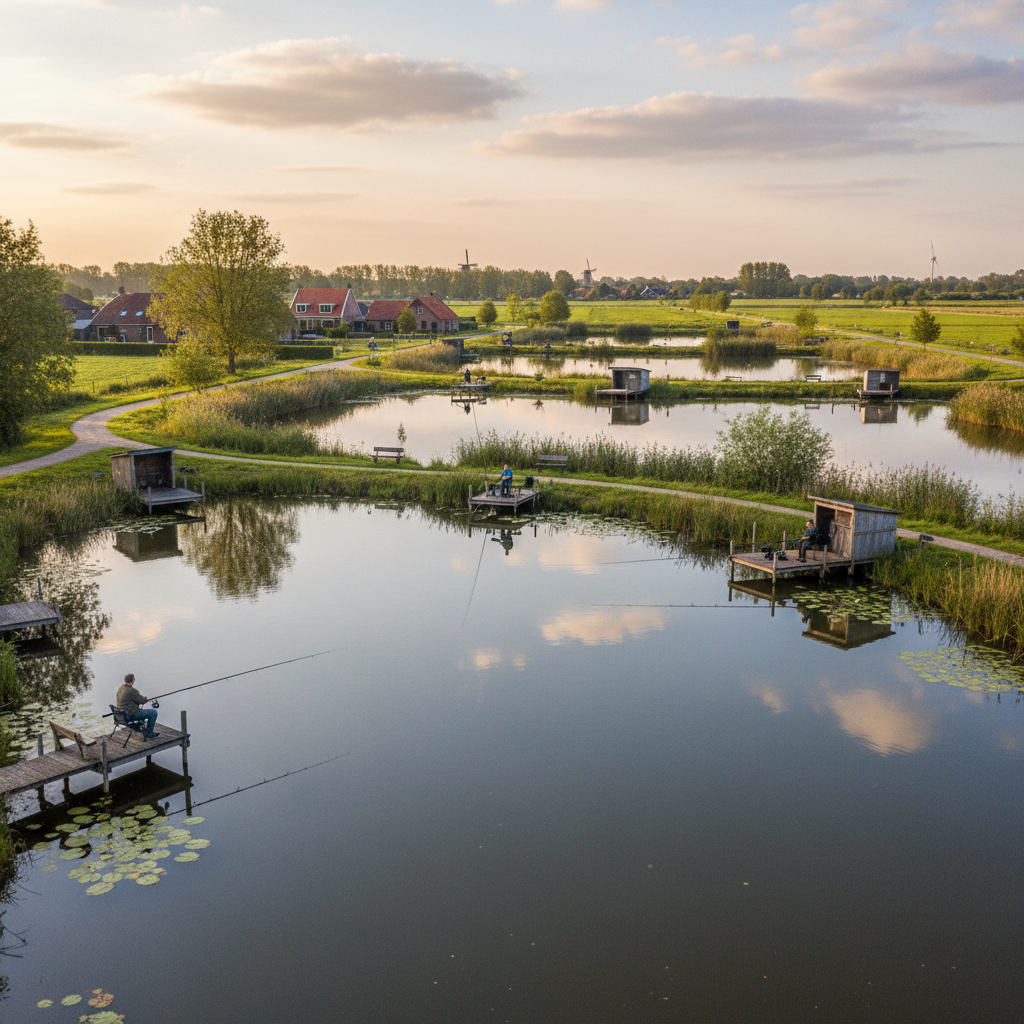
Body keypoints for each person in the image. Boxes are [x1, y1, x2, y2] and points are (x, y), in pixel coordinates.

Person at [117, 672, 158, 739]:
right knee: (153, 713)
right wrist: (147, 699)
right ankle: (149, 733)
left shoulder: (121, 688)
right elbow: (142, 701)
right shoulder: (132, 690)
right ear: (133, 680)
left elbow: (131, 700)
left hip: (121, 715)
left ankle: (137, 727)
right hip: (131, 715)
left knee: (145, 711)